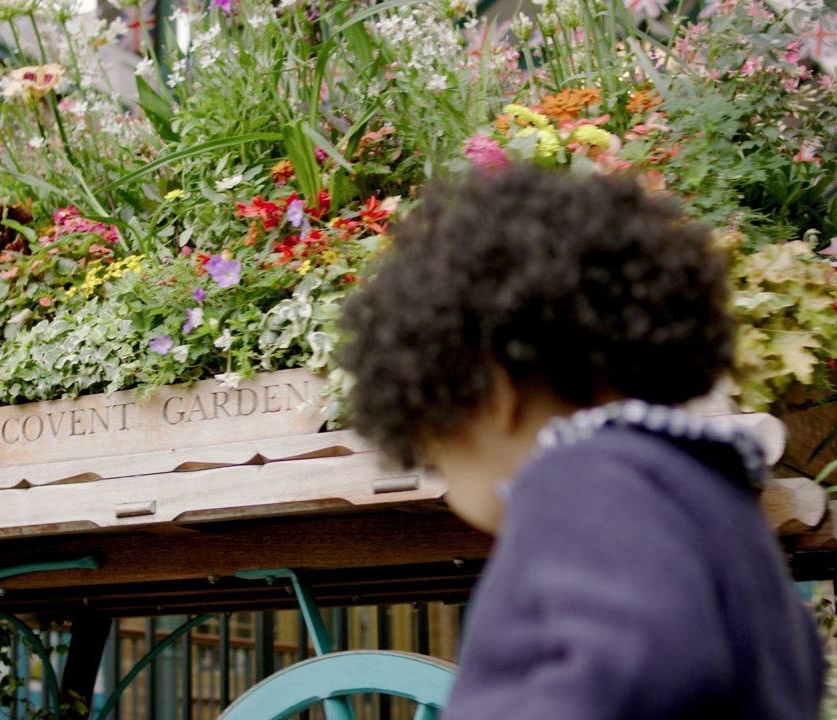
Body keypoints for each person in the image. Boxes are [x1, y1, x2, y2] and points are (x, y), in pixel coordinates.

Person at [338, 164, 824, 719]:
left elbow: (646, 657)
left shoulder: (577, 480)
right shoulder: (717, 501)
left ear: (495, 392)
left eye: (437, 459)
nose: (449, 490)